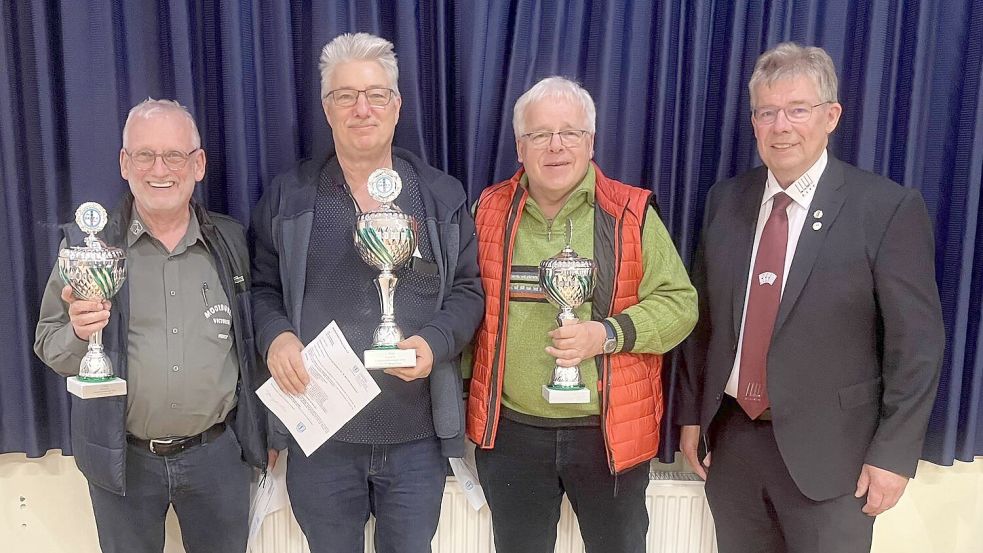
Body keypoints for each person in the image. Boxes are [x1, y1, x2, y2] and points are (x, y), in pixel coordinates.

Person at [676, 43, 945, 553]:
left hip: (834, 458)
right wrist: (692, 415)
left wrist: (892, 453)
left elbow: (918, 345)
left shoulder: (886, 209)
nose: (782, 126)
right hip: (733, 445)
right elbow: (703, 321)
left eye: (797, 110)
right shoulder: (725, 201)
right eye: (767, 112)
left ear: (831, 116)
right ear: (753, 121)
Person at [250, 32, 483, 553]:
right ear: (327, 109)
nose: (362, 109)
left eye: (376, 95)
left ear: (396, 106)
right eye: (345, 96)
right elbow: (261, 289)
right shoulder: (289, 196)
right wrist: (278, 338)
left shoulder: (441, 195)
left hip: (416, 439)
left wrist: (435, 344)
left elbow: (469, 291)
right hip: (322, 440)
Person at [466, 76, 698, 553]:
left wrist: (608, 334)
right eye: (539, 135)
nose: (555, 146)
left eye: (570, 133)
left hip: (607, 434)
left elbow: (680, 304)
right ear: (519, 147)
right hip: (512, 434)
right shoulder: (488, 210)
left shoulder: (629, 213)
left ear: (590, 143)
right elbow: (466, 306)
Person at [34, 99, 268, 553]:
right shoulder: (87, 253)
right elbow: (48, 343)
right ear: (125, 163)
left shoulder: (231, 241)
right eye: (144, 155)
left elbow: (253, 341)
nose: (159, 169)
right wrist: (82, 334)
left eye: (174, 155)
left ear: (198, 164)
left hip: (218, 457)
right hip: (122, 459)